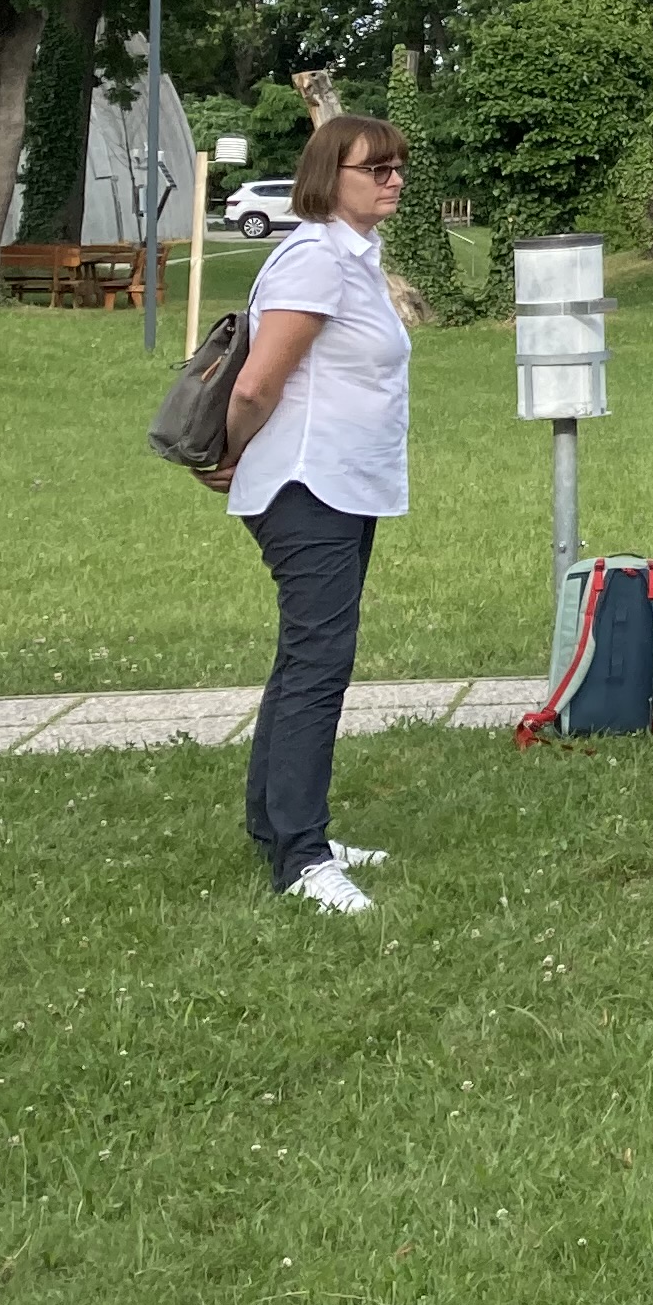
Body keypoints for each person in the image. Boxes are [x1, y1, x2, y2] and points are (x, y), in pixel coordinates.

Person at [200, 112, 415, 914]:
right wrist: (226, 452)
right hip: (305, 485)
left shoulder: (353, 259)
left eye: (398, 169)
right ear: (330, 177)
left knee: (306, 658)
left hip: (342, 483)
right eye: (376, 170)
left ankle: (280, 824)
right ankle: (300, 855)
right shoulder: (316, 260)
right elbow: (258, 382)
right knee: (320, 662)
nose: (393, 181)